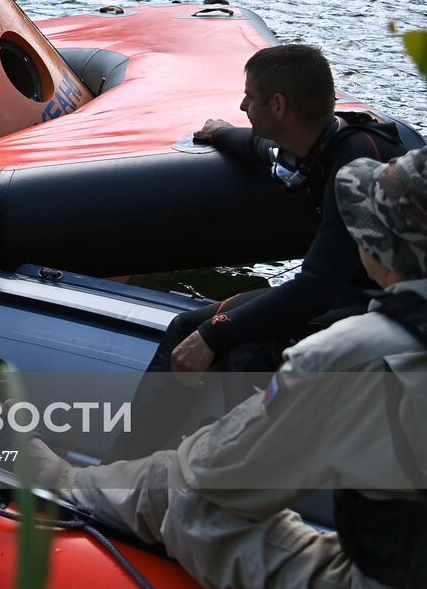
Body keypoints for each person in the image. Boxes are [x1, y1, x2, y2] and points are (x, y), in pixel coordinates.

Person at [34, 148, 427, 589]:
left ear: (384, 248)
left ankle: (69, 485)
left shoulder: (354, 355)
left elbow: (209, 482)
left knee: (186, 492)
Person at [107, 43, 411, 459]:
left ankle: (239, 474)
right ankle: (125, 464)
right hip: (345, 288)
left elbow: (315, 289)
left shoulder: (355, 166)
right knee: (183, 327)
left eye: (250, 96)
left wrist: (217, 331)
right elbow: (261, 150)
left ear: (279, 105)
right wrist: (217, 133)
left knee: (249, 348)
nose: (242, 103)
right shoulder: (315, 142)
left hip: (385, 300)